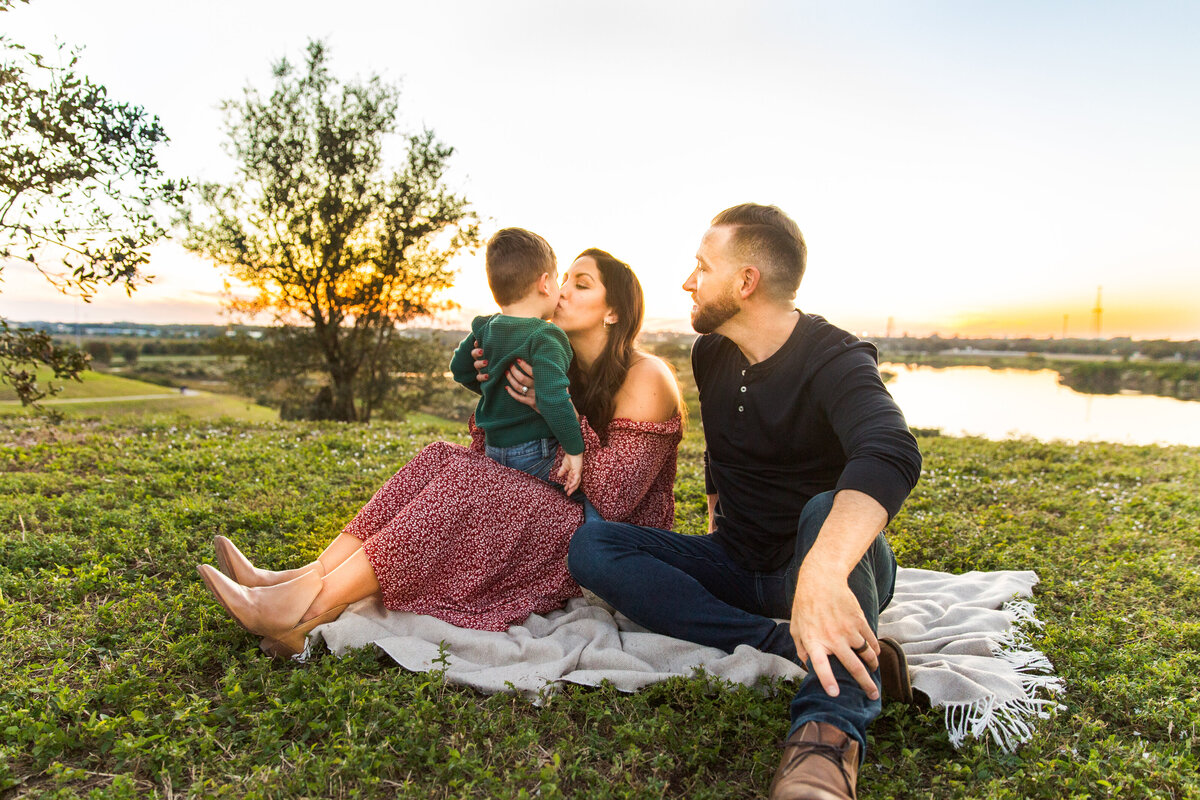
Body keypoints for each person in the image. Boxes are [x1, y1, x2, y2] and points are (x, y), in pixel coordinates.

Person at [567, 204, 922, 800]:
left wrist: (821, 572)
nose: (687, 281)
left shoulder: (836, 358)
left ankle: (826, 737)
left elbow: (890, 449)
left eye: (702, 267)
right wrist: (715, 506)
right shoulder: (712, 353)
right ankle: (786, 641)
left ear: (746, 281)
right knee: (594, 545)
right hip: (737, 559)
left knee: (821, 508)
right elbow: (725, 447)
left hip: (828, 566)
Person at [196, 248, 684, 660]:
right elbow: (494, 449)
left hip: (606, 543)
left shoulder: (647, 376)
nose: (561, 292)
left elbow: (618, 500)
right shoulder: (554, 359)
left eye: (581, 285)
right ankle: (302, 579)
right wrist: (489, 381)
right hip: (558, 506)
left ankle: (302, 613)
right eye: (564, 281)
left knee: (471, 482)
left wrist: (558, 411)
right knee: (441, 459)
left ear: (614, 311)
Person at [449, 227, 584, 494]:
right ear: (545, 283)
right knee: (572, 496)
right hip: (535, 452)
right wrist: (575, 450)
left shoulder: (483, 327)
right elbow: (552, 398)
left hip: (492, 448)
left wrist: (494, 387)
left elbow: (459, 369)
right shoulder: (545, 335)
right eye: (558, 280)